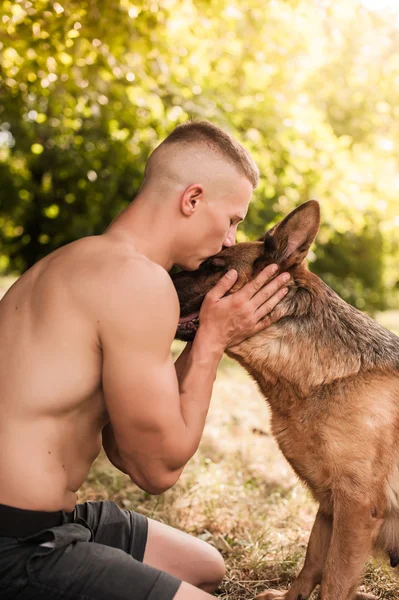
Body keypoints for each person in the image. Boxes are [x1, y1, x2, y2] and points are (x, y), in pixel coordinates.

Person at [0, 121, 290, 600]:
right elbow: (156, 472)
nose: (228, 240)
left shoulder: (76, 260)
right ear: (192, 199)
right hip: (16, 545)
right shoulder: (138, 283)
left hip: (54, 518)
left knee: (205, 567)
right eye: (233, 219)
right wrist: (212, 341)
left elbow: (123, 446)